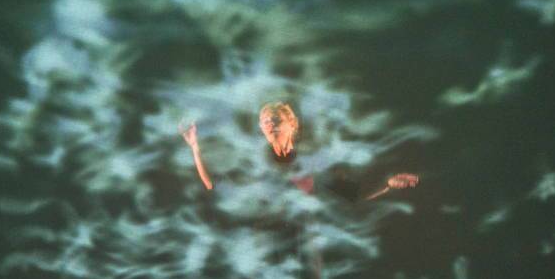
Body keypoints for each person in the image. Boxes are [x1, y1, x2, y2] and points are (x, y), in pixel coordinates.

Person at [179, 102, 419, 199]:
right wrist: (196, 149)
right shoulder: (259, 163)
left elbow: (354, 195)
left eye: (275, 120)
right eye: (264, 122)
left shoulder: (315, 159)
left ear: (292, 124)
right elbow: (214, 185)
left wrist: (388, 185)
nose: (269, 125)